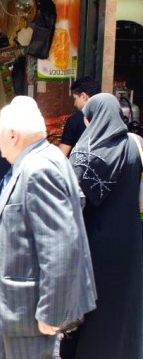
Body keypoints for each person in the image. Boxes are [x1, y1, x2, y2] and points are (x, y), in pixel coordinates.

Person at [0, 96, 96, 359]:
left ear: (11, 135)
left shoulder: (39, 169)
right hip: (16, 309)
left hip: (27, 312)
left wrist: (51, 313)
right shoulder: (42, 159)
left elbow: (59, 247)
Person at [60, 93, 143, 358]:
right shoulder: (136, 145)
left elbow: (70, 203)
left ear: (90, 118)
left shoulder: (83, 153)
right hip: (129, 238)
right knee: (124, 300)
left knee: (93, 304)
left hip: (93, 242)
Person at [59, 76, 100, 156]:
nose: (74, 104)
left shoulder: (74, 120)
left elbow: (61, 156)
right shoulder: (109, 118)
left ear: (83, 96)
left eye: (75, 99)